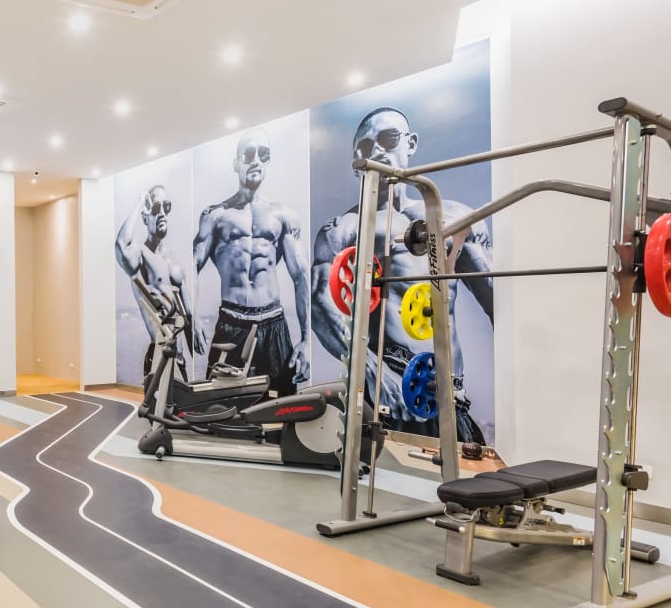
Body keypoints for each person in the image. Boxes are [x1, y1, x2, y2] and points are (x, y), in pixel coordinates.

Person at [310, 107, 493, 440]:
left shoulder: (457, 221)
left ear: (410, 143)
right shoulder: (343, 229)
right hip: (389, 390)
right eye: (366, 147)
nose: (378, 151)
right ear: (356, 161)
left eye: (388, 138)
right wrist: (369, 367)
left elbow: (498, 304)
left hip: (448, 393)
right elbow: (321, 305)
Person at [192, 129, 310, 395]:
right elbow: (192, 269)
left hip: (274, 323)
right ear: (236, 163)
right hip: (232, 323)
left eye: (263, 154)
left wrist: (305, 339)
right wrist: (194, 318)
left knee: (282, 404)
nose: (256, 160)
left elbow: (301, 276)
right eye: (248, 154)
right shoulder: (215, 216)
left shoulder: (283, 215)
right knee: (221, 402)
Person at [116, 183, 202, 380]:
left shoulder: (174, 261)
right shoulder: (140, 255)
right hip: (160, 352)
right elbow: (121, 246)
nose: (162, 213)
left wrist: (194, 334)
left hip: (179, 357)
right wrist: (140, 203)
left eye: (166, 206)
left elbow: (187, 313)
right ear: (145, 218)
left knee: (181, 401)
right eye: (156, 208)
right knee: (158, 401)